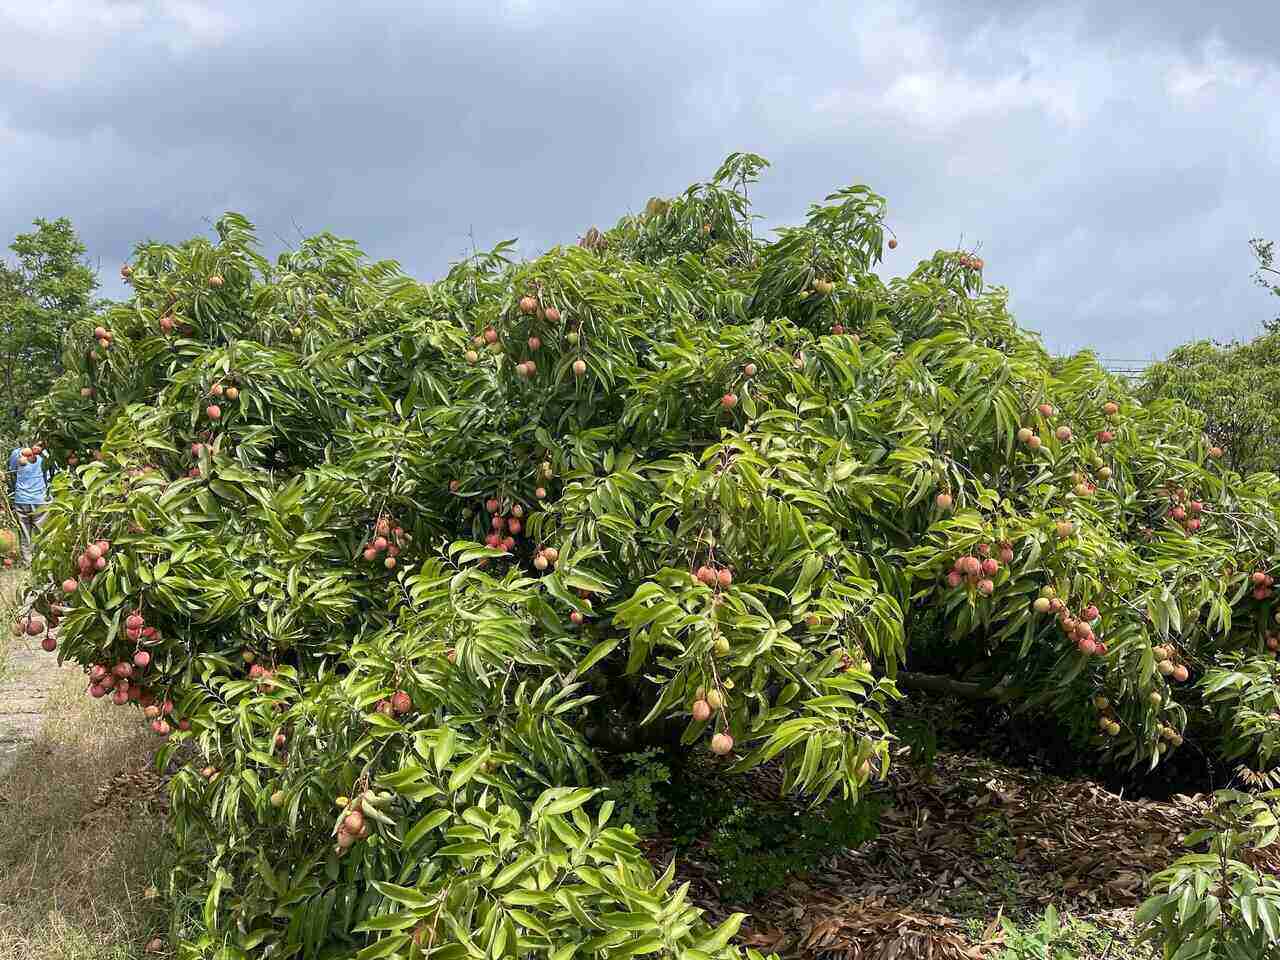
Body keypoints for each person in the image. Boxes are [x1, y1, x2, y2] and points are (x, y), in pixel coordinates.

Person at [8, 441, 50, 565]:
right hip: (39, 499)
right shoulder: (45, 455)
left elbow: (12, 473)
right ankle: (41, 560)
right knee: (41, 533)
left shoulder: (16, 454)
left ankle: (28, 562)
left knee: (24, 533)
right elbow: (49, 475)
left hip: (21, 499)